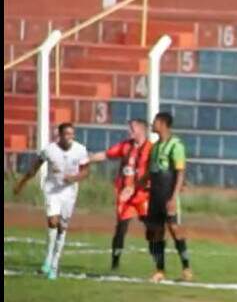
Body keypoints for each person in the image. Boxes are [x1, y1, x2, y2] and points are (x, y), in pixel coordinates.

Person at [12, 122, 90, 280]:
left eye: (72, 134)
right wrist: (21, 183)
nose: (69, 137)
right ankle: (49, 260)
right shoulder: (49, 150)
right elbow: (34, 168)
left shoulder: (80, 150)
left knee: (62, 227)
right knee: (53, 222)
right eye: (66, 134)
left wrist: (73, 178)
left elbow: (86, 171)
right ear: (59, 135)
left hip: (69, 192)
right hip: (52, 191)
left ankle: (54, 263)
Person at [88, 118, 153, 270]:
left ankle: (158, 263)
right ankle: (115, 263)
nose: (128, 130)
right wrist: (88, 158)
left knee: (151, 228)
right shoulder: (125, 146)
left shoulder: (151, 149)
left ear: (142, 130)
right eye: (129, 127)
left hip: (143, 194)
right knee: (121, 228)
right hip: (125, 195)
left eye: (132, 128)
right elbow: (105, 154)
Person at [140, 111, 191, 282]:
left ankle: (186, 268)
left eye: (154, 122)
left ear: (162, 123)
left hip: (168, 195)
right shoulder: (154, 147)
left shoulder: (176, 145)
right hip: (155, 196)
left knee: (174, 229)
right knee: (155, 233)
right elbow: (152, 170)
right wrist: (139, 183)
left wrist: (173, 198)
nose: (152, 125)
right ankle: (159, 270)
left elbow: (180, 173)